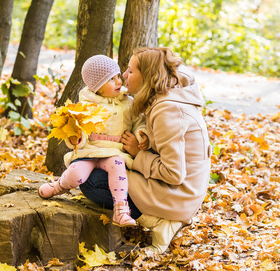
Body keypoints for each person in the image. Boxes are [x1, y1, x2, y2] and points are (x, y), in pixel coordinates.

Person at [79, 47, 212, 254]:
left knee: (91, 181)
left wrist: (137, 153)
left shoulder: (167, 110)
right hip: (180, 190)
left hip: (179, 194)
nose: (124, 75)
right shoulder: (163, 97)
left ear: (148, 76)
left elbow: (174, 173)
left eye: (131, 71)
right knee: (95, 171)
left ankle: (160, 222)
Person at [39, 55, 148, 227]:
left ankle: (121, 210)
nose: (119, 82)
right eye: (111, 79)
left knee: (118, 168)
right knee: (75, 174)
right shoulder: (87, 104)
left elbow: (138, 122)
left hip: (114, 151)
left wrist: (141, 134)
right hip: (89, 151)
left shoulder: (128, 103)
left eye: (118, 76)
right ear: (97, 87)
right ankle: (59, 186)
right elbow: (79, 129)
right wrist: (76, 139)